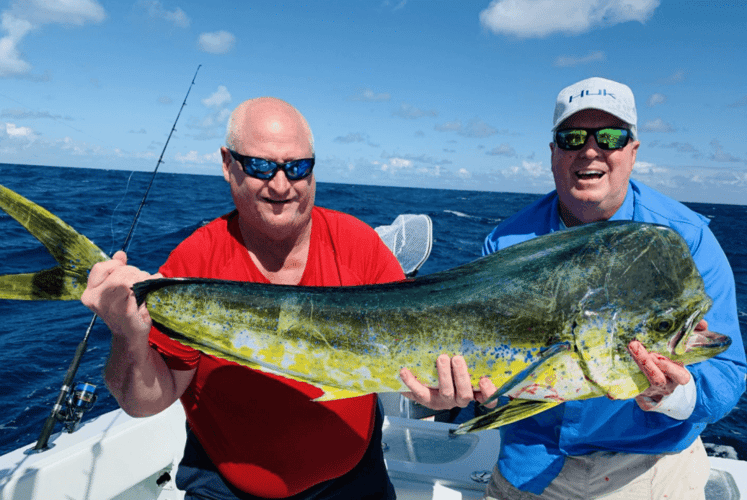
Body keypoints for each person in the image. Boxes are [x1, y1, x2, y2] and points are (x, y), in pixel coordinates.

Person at [403, 77, 747, 499]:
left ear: (633, 152)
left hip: (647, 468)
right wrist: (472, 398)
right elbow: (498, 384)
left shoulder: (688, 239)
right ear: (553, 153)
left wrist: (672, 394)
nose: (589, 150)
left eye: (609, 137)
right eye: (571, 138)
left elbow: (728, 375)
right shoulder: (508, 242)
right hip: (532, 464)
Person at [81, 97, 405, 499]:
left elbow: (402, 364)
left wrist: (443, 389)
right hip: (227, 489)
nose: (282, 185)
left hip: (357, 482)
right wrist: (127, 335)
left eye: (298, 167)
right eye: (261, 166)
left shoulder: (361, 246)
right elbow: (144, 402)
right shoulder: (194, 262)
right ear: (227, 164)